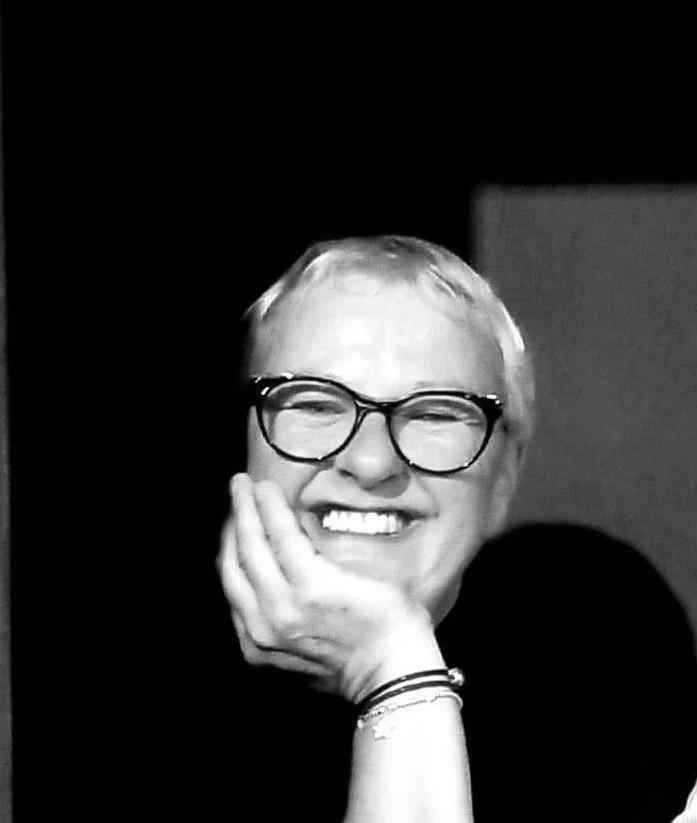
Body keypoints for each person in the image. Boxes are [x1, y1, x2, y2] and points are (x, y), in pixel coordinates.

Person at [216, 236, 697, 822]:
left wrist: (392, 663)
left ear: (506, 473)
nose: (371, 462)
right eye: (314, 405)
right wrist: (394, 669)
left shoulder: (597, 629)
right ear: (243, 442)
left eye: (435, 413)